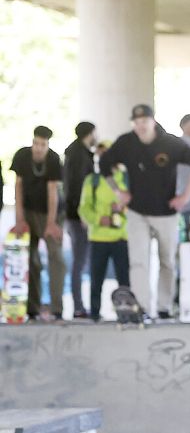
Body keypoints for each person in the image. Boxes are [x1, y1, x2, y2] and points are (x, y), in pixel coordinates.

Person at [99, 104, 190, 319]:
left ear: (153, 121)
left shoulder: (170, 143)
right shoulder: (126, 142)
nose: (140, 126)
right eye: (136, 123)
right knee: (138, 261)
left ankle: (165, 307)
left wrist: (185, 196)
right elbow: (104, 163)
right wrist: (118, 191)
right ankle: (142, 307)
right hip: (137, 211)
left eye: (144, 122)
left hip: (166, 212)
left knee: (167, 261)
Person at [10, 126, 65, 321]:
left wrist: (51, 223)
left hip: (51, 213)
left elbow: (53, 192)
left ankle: (57, 307)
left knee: (56, 257)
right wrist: (20, 218)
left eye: (43, 144)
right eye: (36, 143)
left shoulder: (53, 159)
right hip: (29, 211)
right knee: (31, 259)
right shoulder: (22, 156)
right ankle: (32, 307)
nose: (39, 148)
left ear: (48, 145)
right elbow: (18, 186)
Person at [77, 140, 129, 322]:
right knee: (96, 278)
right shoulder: (92, 181)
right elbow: (83, 209)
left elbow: (135, 206)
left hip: (122, 236)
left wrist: (122, 209)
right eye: (99, 153)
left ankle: (125, 312)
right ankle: (95, 313)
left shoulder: (126, 178)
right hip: (98, 237)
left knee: (124, 279)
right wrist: (100, 219)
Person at [63, 121, 97, 318]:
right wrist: (82, 214)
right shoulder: (79, 155)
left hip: (76, 214)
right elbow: (77, 186)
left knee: (81, 260)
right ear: (89, 134)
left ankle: (80, 305)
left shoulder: (76, 153)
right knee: (80, 261)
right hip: (78, 217)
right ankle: (78, 306)